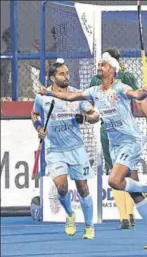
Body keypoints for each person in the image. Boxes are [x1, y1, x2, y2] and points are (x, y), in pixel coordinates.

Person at [37, 52, 147, 249]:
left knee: (114, 181)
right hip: (115, 145)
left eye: (103, 65)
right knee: (131, 190)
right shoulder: (94, 91)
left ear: (113, 70)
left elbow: (136, 95)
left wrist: (144, 92)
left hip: (130, 141)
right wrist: (50, 93)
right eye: (98, 64)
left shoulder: (121, 88)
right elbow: (71, 96)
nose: (99, 67)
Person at [89, 49, 147, 229]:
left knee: (115, 174)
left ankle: (125, 217)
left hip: (110, 133)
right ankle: (132, 215)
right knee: (130, 174)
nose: (101, 66)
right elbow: (140, 101)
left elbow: (91, 110)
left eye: (103, 63)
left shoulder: (97, 80)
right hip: (126, 131)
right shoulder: (126, 76)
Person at [31, 60, 100, 239]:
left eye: (67, 73)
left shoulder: (76, 95)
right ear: (53, 77)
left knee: (83, 187)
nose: (66, 76)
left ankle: (89, 226)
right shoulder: (42, 96)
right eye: (62, 74)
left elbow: (94, 116)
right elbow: (34, 114)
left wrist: (84, 118)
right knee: (61, 187)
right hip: (55, 150)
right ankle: (70, 214)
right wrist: (39, 128)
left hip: (76, 149)